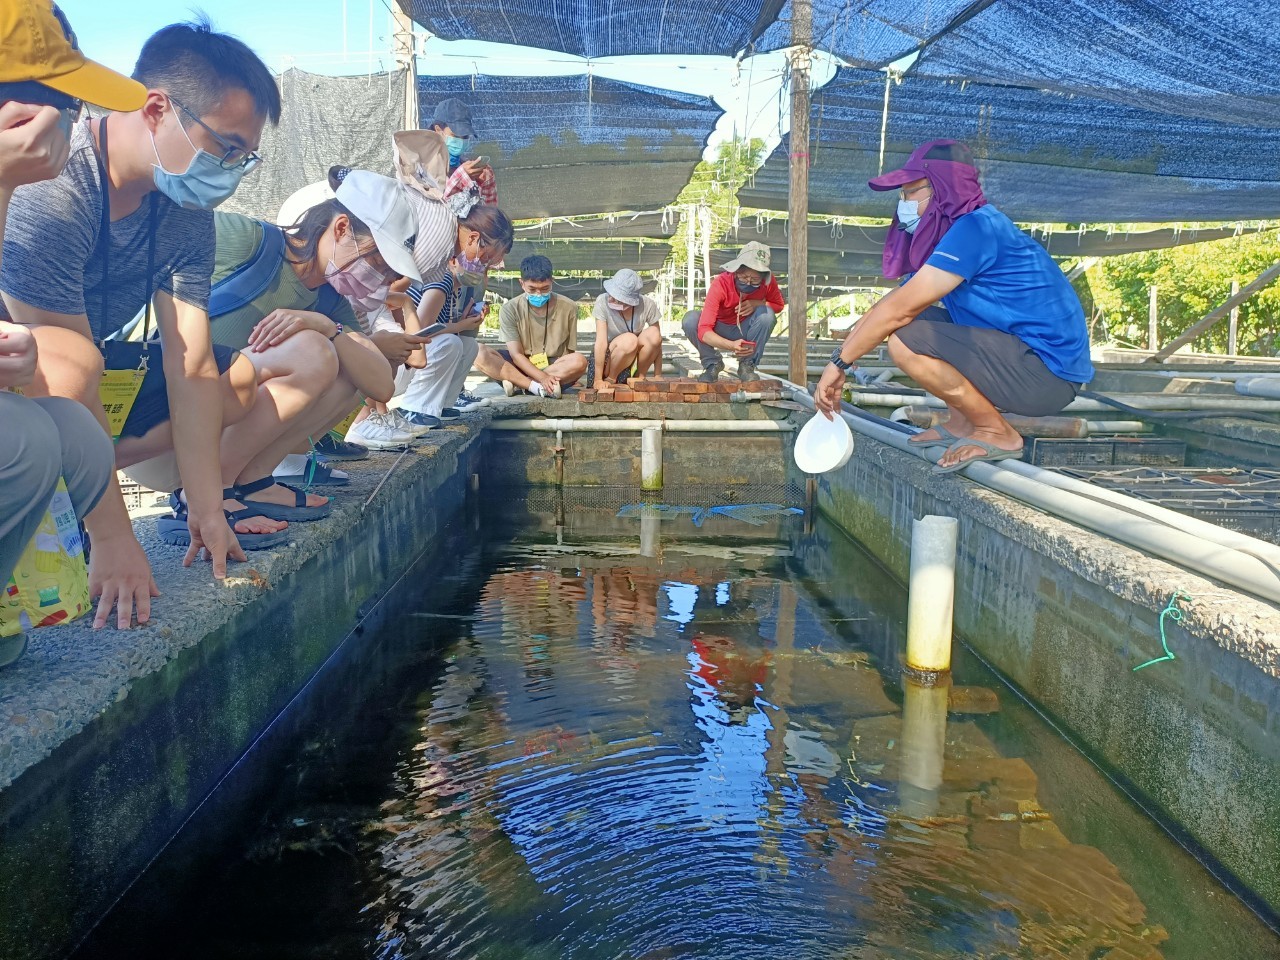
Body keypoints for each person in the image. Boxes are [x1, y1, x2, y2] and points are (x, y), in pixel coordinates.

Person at [0, 17, 290, 629]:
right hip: (30, 380)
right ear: (158, 110)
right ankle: (80, 498)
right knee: (75, 363)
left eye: (246, 156)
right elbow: (59, 367)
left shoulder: (182, 207)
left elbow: (188, 361)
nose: (233, 170)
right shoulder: (55, 189)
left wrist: (209, 507)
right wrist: (114, 537)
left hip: (85, 377)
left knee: (229, 380)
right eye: (228, 148)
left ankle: (91, 476)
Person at [0, 0, 143, 663]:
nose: (77, 126)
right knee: (25, 440)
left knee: (76, 435)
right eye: (70, 107)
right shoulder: (44, 197)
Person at [814, 139, 1094, 474]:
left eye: (910, 191)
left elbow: (897, 314)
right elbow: (889, 307)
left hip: (1045, 375)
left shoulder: (977, 227)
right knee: (912, 321)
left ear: (942, 188)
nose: (903, 202)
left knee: (905, 339)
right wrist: (841, 357)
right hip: (1024, 363)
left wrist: (839, 366)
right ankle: (962, 422)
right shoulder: (953, 236)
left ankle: (995, 431)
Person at [208, 167, 415, 469]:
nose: (380, 280)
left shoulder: (331, 301)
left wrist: (328, 328)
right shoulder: (246, 240)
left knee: (351, 364)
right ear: (341, 229)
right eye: (377, 263)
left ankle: (255, 478)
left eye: (389, 274)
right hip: (168, 409)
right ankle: (214, 488)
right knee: (313, 351)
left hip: (221, 426)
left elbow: (381, 386)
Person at [682, 240, 784, 383]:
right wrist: (731, 345)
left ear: (762, 277)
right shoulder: (721, 283)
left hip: (745, 328)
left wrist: (758, 303)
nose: (748, 282)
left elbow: (779, 305)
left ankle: (747, 365)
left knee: (767, 314)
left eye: (754, 279)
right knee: (690, 319)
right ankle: (712, 363)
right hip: (720, 328)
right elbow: (704, 329)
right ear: (737, 271)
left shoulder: (768, 282)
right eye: (744, 277)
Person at [487, 255, 587, 398]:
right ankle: (535, 386)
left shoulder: (569, 307)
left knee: (579, 361)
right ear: (521, 283)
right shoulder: (509, 308)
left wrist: (570, 374)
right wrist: (543, 378)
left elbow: (569, 353)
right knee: (479, 353)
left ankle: (518, 383)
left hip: (552, 367)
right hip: (519, 364)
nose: (539, 294)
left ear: (552, 282)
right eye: (532, 289)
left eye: (545, 288)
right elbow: (516, 355)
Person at [591, 268, 662, 389]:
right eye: (610, 294)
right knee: (630, 339)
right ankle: (611, 378)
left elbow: (657, 341)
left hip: (633, 358)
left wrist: (658, 374)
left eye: (616, 298)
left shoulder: (647, 305)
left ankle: (639, 377)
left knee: (654, 333)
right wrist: (597, 379)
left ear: (629, 302)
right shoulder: (602, 302)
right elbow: (601, 342)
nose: (610, 299)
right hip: (610, 360)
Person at [427, 97, 497, 206]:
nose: (461, 141)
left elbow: (489, 211)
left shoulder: (463, 165)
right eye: (455, 135)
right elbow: (436, 212)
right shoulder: (423, 167)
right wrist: (461, 177)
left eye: (465, 136)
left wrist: (483, 184)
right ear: (438, 130)